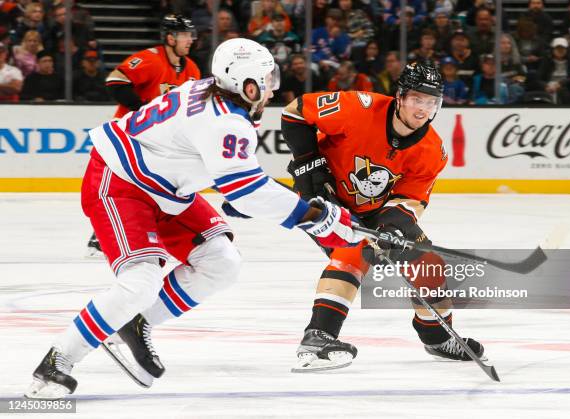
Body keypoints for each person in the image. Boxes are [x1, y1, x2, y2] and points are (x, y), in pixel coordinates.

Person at [25, 38, 364, 399]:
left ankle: (137, 322)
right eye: (266, 79)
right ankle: (56, 362)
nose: (271, 88)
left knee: (222, 262)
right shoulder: (227, 122)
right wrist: (315, 217)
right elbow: (246, 188)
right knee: (140, 282)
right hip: (120, 183)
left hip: (165, 189)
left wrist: (257, 199)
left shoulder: (212, 93)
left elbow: (215, 167)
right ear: (247, 85)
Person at [280, 61, 485, 371]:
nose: (423, 109)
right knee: (356, 251)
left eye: (431, 102)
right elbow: (295, 112)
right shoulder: (358, 108)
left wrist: (394, 226)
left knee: (428, 262)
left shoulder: (433, 150)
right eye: (417, 99)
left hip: (375, 209)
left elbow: (412, 200)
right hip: (322, 197)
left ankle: (436, 337)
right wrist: (309, 162)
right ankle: (318, 336)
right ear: (400, 96)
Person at [86, 14, 201, 256]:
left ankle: (160, 230)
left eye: (191, 34)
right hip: (129, 133)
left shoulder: (191, 68)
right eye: (184, 35)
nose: (190, 39)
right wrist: (141, 110)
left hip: (160, 137)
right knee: (126, 186)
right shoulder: (150, 59)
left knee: (160, 183)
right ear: (170, 38)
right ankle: (104, 234)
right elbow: (116, 80)